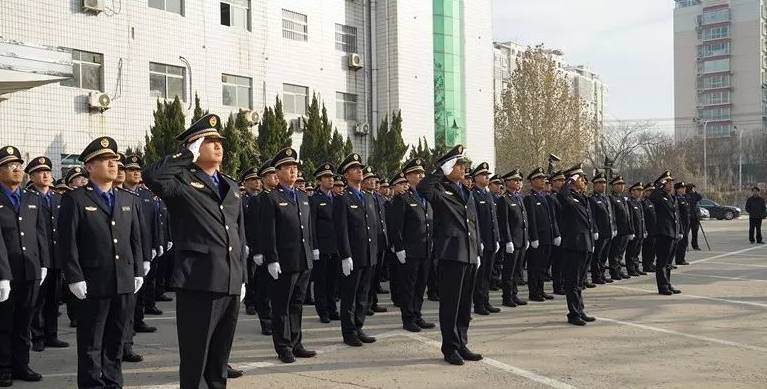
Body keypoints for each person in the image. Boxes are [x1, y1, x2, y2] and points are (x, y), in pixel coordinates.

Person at [143, 114, 247, 388]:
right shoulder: (181, 182)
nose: (218, 146)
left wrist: (242, 275)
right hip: (199, 280)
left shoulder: (231, 185)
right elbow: (151, 176)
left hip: (230, 280)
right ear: (193, 146)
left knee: (219, 357)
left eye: (219, 141)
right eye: (209, 140)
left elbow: (238, 233)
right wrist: (183, 157)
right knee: (196, 357)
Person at [59, 137, 143, 389]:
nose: (113, 164)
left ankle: (113, 382)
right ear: (89, 166)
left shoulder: (127, 199)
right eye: (105, 160)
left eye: (115, 160)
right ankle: (93, 384)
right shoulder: (75, 199)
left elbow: (135, 239)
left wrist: (138, 270)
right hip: (93, 282)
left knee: (117, 338)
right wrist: (74, 276)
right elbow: (67, 242)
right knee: (92, 341)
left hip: (124, 281)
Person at [417, 144, 483, 366]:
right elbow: (422, 189)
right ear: (448, 168)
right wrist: (439, 171)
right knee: (451, 305)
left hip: (469, 253)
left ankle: (462, 343)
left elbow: (473, 223)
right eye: (458, 165)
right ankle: (450, 348)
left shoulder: (467, 191)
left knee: (465, 305)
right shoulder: (440, 189)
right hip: (451, 255)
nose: (463, 169)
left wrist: (478, 249)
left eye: (464, 165)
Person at [259, 147, 317, 363]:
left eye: (294, 167)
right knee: (282, 306)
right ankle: (283, 346)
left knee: (297, 304)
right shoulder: (272, 198)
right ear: (278, 172)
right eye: (287, 167)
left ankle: (296, 342)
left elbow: (308, 229)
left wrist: (313, 251)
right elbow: (268, 232)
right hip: (283, 261)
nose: (293, 171)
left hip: (303, 259)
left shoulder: (302, 196)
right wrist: (271, 259)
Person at [0, 146, 50, 386]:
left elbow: (40, 233)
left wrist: (44, 263)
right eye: (11, 165)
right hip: (5, 272)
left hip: (30, 269)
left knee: (24, 321)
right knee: (4, 323)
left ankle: (22, 365)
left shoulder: (32, 198)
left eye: (19, 165)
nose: (17, 169)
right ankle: (3, 367)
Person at [334, 153, 379, 347]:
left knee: (363, 294)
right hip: (353, 256)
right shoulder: (342, 198)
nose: (359, 171)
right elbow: (341, 229)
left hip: (368, 254)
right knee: (350, 296)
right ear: (346, 175)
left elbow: (372, 226)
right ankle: (348, 332)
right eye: (354, 169)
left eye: (360, 168)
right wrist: (345, 255)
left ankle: (358, 326)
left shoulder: (368, 197)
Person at [26, 156, 70, 352]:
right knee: (37, 300)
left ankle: (52, 335)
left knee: (53, 299)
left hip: (56, 257)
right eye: (40, 172)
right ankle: (37, 336)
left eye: (48, 172)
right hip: (37, 258)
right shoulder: (27, 198)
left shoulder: (57, 198)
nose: (45, 175)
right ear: (32, 176)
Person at [389, 158, 435, 332]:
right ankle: (408, 318)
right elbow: (396, 227)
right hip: (410, 251)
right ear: (407, 177)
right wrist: (399, 248)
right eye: (417, 173)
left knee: (421, 285)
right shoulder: (403, 199)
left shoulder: (426, 198)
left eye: (422, 173)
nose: (421, 175)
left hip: (425, 249)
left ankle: (417, 314)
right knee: (409, 286)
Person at [557, 164, 597, 326]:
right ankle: (573, 313)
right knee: (572, 282)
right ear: (572, 181)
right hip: (573, 245)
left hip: (585, 244)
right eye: (580, 178)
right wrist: (569, 181)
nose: (584, 181)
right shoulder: (567, 196)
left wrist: (591, 242)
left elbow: (588, 221)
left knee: (580, 281)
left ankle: (580, 310)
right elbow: (561, 196)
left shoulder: (581, 197)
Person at [246, 160, 277, 334]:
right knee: (264, 288)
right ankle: (266, 321)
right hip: (263, 251)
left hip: (277, 250)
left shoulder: (280, 196)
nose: (275, 177)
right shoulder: (258, 200)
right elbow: (254, 227)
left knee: (276, 289)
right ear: (264, 178)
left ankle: (274, 319)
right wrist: (257, 250)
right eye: (272, 175)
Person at [309, 163, 340, 323]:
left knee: (333, 281)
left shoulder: (337, 199)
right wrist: (314, 247)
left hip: (336, 247)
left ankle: (332, 308)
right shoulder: (314, 199)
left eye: (332, 177)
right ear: (319, 181)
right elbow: (312, 225)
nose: (330, 180)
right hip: (322, 247)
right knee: (321, 281)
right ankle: (323, 311)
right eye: (327, 177)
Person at [469, 162, 501, 315]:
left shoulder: (487, 194)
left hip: (491, 240)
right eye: (483, 175)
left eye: (487, 175)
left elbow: (493, 219)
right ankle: (479, 304)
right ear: (475, 178)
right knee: (480, 276)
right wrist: (478, 241)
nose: (486, 177)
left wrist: (497, 238)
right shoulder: (473, 194)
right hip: (481, 242)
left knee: (487, 274)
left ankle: (486, 301)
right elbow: (475, 221)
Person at [524, 167, 559, 302]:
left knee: (543, 266)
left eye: (543, 178)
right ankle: (534, 292)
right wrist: (533, 237)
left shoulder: (546, 197)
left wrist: (555, 234)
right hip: (537, 238)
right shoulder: (530, 199)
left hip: (547, 237)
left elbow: (552, 218)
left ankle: (541, 290)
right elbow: (531, 220)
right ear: (532, 181)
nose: (543, 181)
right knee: (534, 266)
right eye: (539, 178)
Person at [496, 169, 529, 307]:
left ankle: (514, 294)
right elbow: (505, 223)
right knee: (509, 271)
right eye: (515, 180)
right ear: (507, 182)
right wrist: (508, 240)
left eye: (519, 180)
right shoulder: (504, 199)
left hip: (521, 239)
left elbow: (524, 220)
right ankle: (507, 296)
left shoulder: (519, 198)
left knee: (517, 270)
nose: (518, 182)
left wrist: (526, 238)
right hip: (512, 241)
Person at [649, 171, 682, 295]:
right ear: (662, 183)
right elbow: (652, 196)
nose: (671, 184)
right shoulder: (659, 196)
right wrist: (658, 184)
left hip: (672, 233)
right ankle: (662, 287)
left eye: (671, 182)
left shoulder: (672, 197)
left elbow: (676, 217)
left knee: (668, 262)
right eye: (668, 182)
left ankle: (668, 283)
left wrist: (679, 231)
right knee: (662, 262)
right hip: (663, 233)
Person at [361, 166, 388, 315]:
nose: (372, 182)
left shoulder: (377, 197)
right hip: (369, 242)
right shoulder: (363, 197)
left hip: (380, 241)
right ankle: (366, 304)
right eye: (369, 180)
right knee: (368, 278)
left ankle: (373, 302)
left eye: (373, 180)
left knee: (376, 275)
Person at [587, 170, 614, 285]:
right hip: (600, 232)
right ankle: (596, 276)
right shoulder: (592, 199)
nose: (603, 184)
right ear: (595, 185)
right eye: (600, 182)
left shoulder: (606, 198)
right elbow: (592, 217)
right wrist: (595, 231)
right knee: (597, 256)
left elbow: (611, 214)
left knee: (604, 256)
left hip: (608, 231)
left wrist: (614, 228)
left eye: (604, 182)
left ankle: (602, 274)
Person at [608, 176, 634, 280]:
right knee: (615, 252)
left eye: (622, 184)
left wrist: (631, 229)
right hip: (618, 230)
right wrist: (614, 228)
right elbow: (612, 215)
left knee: (620, 253)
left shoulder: (623, 199)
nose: (621, 186)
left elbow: (628, 216)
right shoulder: (611, 198)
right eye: (619, 184)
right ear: (613, 186)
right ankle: (614, 271)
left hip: (625, 230)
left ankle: (619, 269)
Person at [548, 170, 566, 293]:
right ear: (553, 182)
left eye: (563, 180)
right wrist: (556, 234)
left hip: (566, 233)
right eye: (559, 180)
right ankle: (558, 285)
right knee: (558, 261)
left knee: (565, 261)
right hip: (558, 233)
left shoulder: (563, 196)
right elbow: (553, 218)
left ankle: (563, 283)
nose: (562, 182)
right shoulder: (551, 198)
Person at [625, 182, 647, 276]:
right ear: (632, 191)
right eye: (638, 190)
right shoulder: (629, 202)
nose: (640, 192)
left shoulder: (639, 202)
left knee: (637, 252)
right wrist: (631, 231)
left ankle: (636, 267)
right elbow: (630, 219)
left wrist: (644, 230)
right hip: (634, 231)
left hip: (640, 231)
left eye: (641, 190)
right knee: (631, 252)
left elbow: (642, 218)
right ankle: (631, 269)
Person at [641, 184, 658, 273]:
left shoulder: (652, 202)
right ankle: (646, 265)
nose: (651, 193)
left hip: (654, 229)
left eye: (652, 191)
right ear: (646, 192)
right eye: (649, 191)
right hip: (648, 229)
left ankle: (651, 263)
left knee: (653, 248)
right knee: (647, 248)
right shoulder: (644, 202)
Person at [674, 182, 691, 266]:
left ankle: (682, 258)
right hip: (681, 223)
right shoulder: (676, 199)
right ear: (677, 189)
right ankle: (679, 259)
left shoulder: (684, 198)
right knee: (680, 242)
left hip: (686, 223)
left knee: (684, 241)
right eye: (682, 188)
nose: (684, 189)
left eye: (684, 188)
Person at [686, 184, 702, 250]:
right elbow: (699, 197)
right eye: (693, 188)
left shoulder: (690, 195)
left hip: (694, 216)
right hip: (690, 216)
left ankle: (691, 245)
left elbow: (700, 197)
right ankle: (693, 246)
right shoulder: (688, 195)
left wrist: (694, 192)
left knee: (692, 232)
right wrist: (694, 192)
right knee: (690, 233)